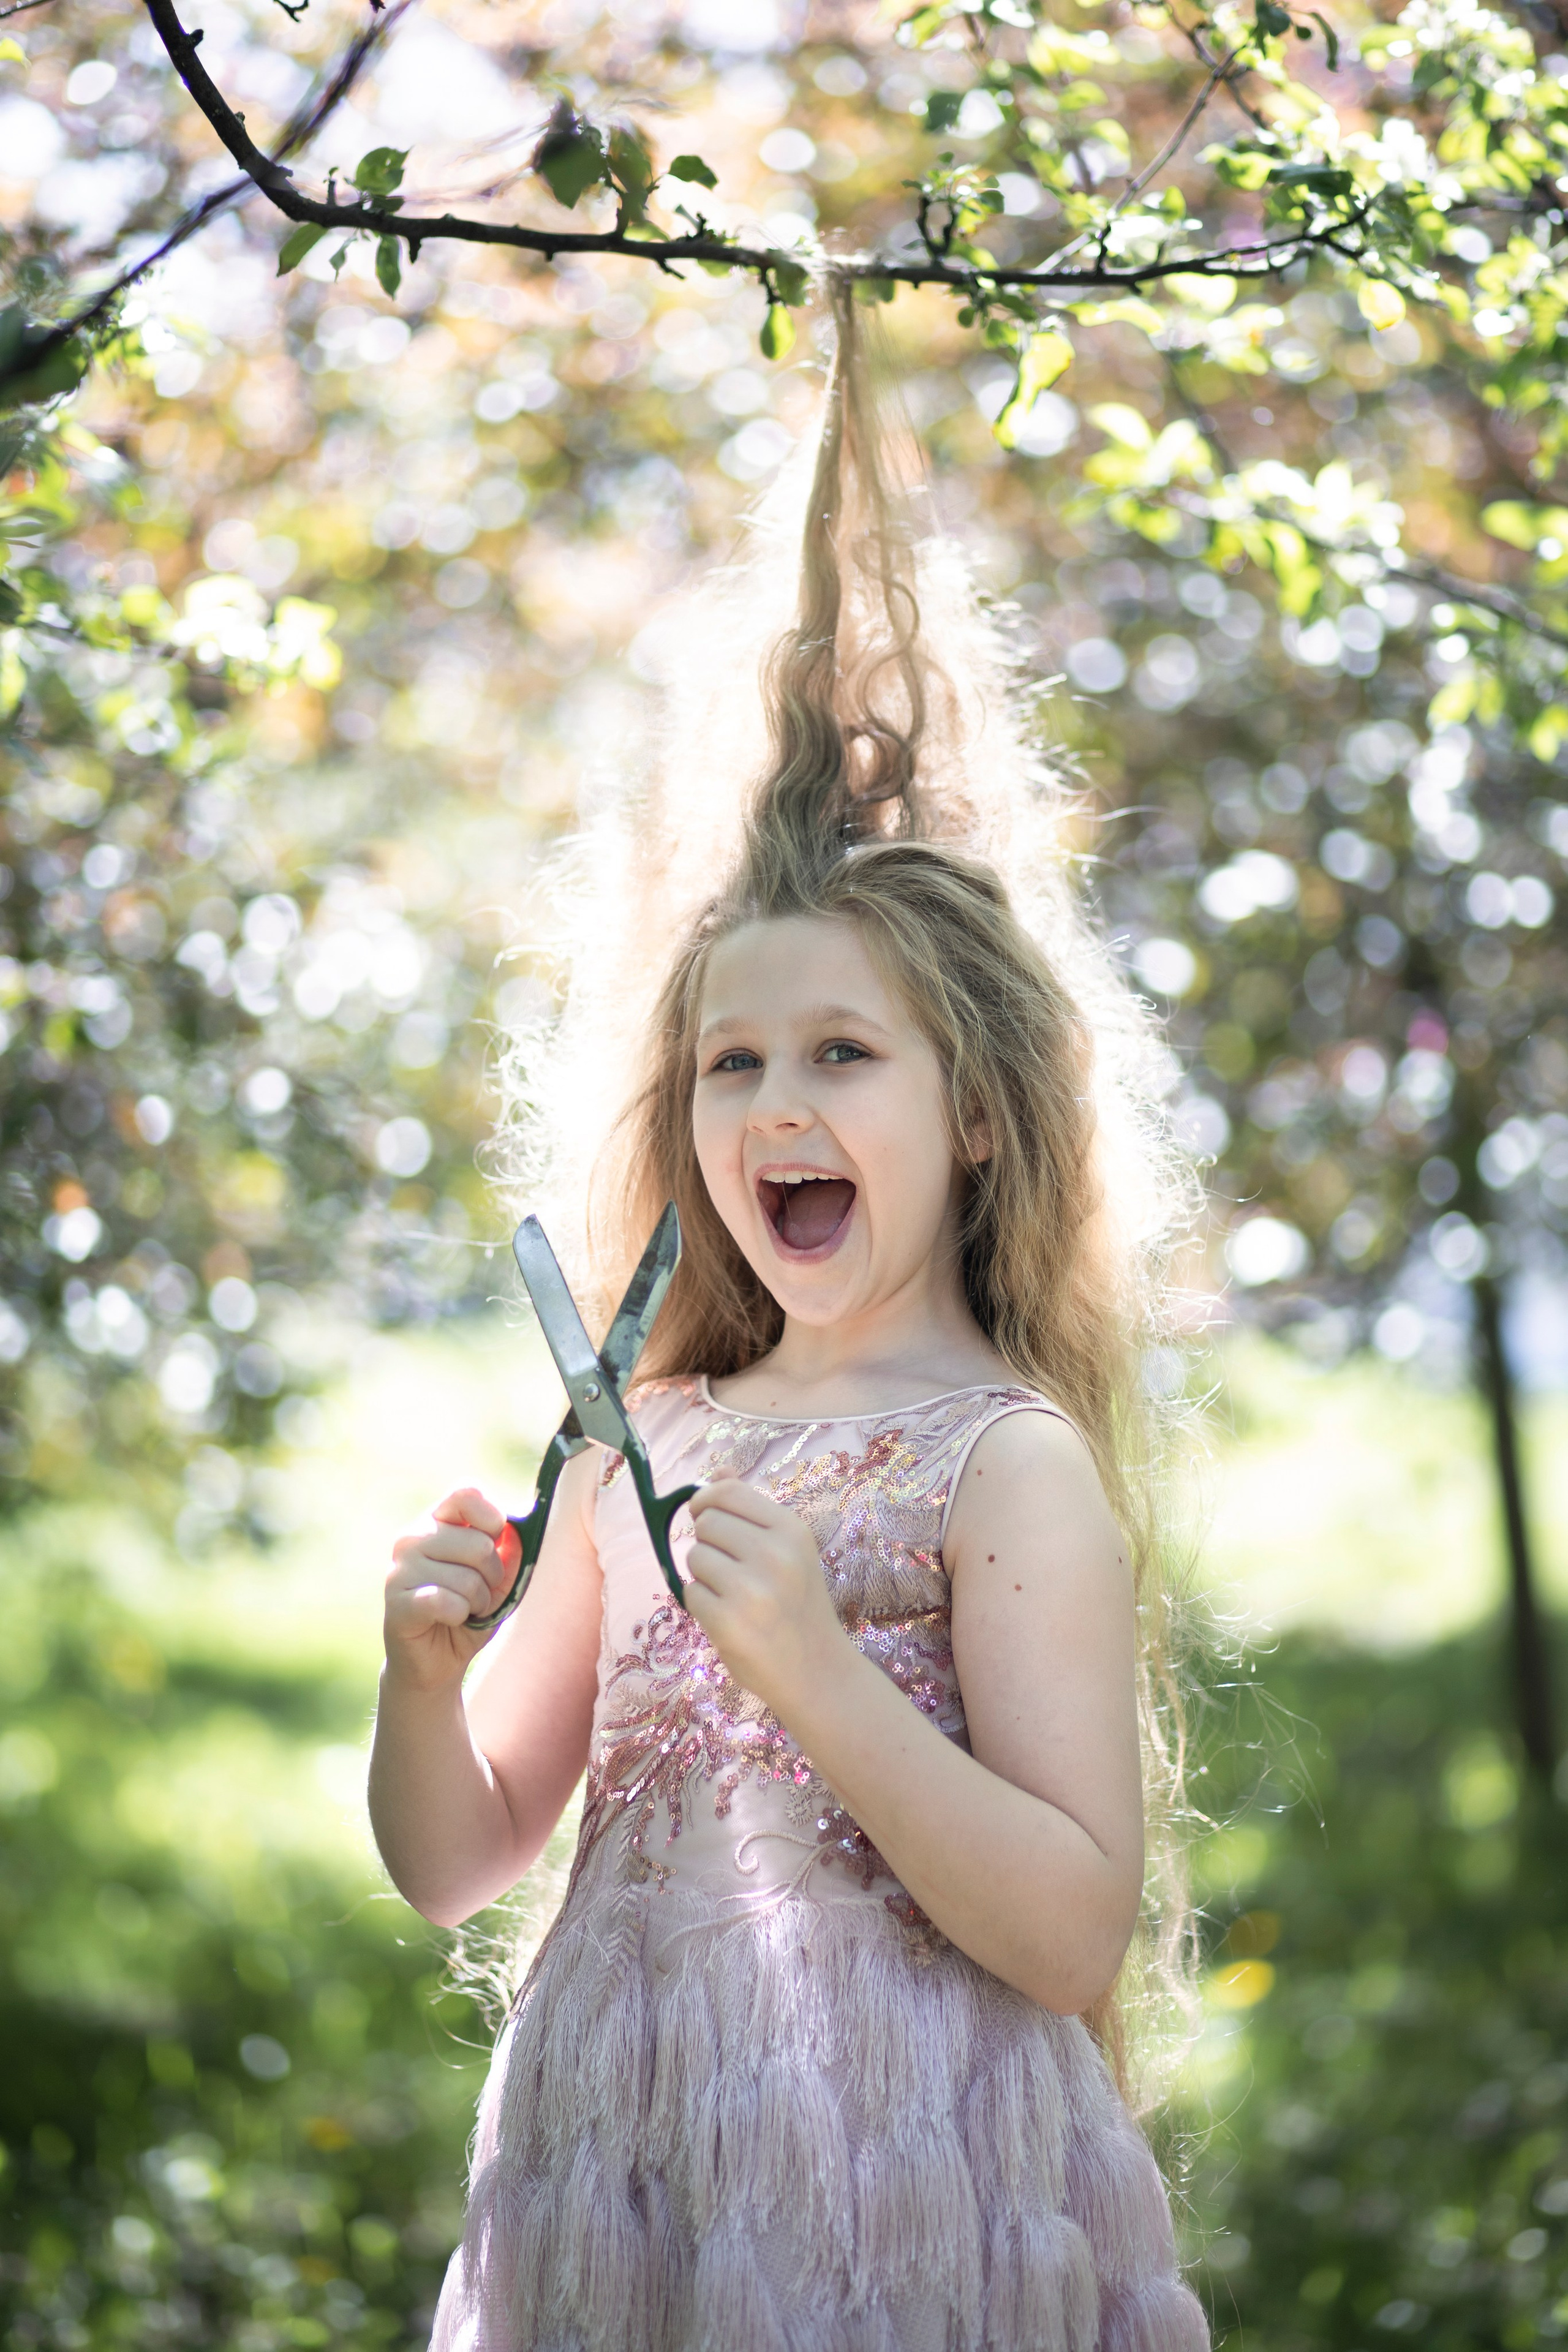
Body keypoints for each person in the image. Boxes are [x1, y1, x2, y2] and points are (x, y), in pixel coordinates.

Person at [369, 280, 1211, 2352]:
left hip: (900, 2190)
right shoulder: (639, 1431)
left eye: (846, 1054)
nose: (777, 1107)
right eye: (732, 1068)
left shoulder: (999, 1466)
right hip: (626, 2173)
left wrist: (824, 1674)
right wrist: (412, 1675)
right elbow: (463, 1858)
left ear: (984, 1120)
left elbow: (1066, 1921)